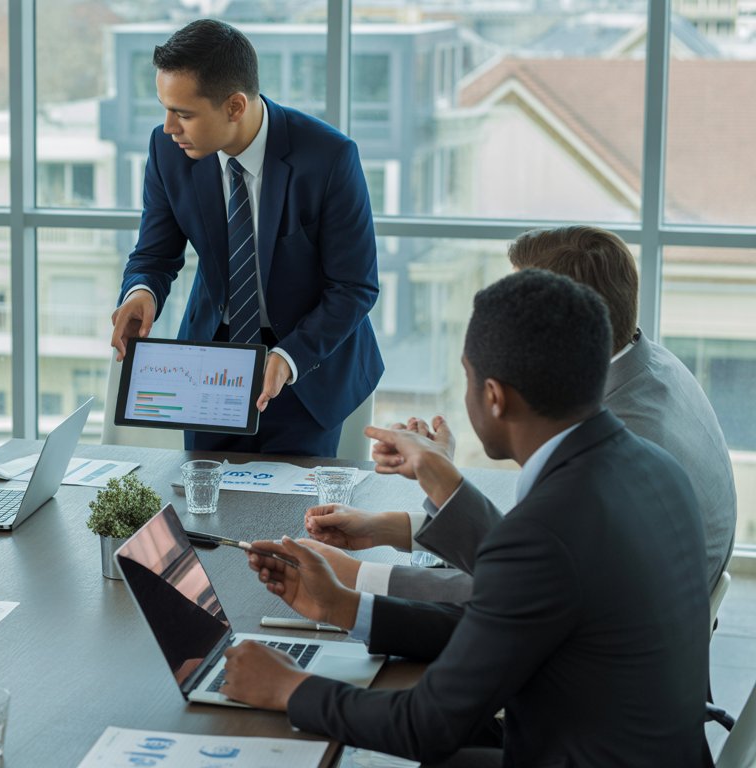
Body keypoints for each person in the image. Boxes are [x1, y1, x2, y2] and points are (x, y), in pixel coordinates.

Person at [221, 269, 711, 766]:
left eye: (468, 376)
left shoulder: (544, 529)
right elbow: (499, 623)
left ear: (495, 397)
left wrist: (288, 687)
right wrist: (345, 607)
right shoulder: (655, 466)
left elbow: (426, 725)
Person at [307, 225, 736, 603]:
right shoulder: (650, 364)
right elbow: (537, 549)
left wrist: (356, 579)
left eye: (517, 303)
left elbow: (515, 589)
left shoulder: (616, 449)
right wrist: (389, 528)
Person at [108, 18, 383, 457]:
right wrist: (142, 292)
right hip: (212, 370)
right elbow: (154, 254)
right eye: (164, 108)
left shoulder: (328, 158)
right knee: (204, 508)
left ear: (234, 106)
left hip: (305, 369)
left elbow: (355, 287)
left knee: (291, 518)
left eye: (183, 113)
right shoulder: (168, 152)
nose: (168, 127)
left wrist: (288, 358)